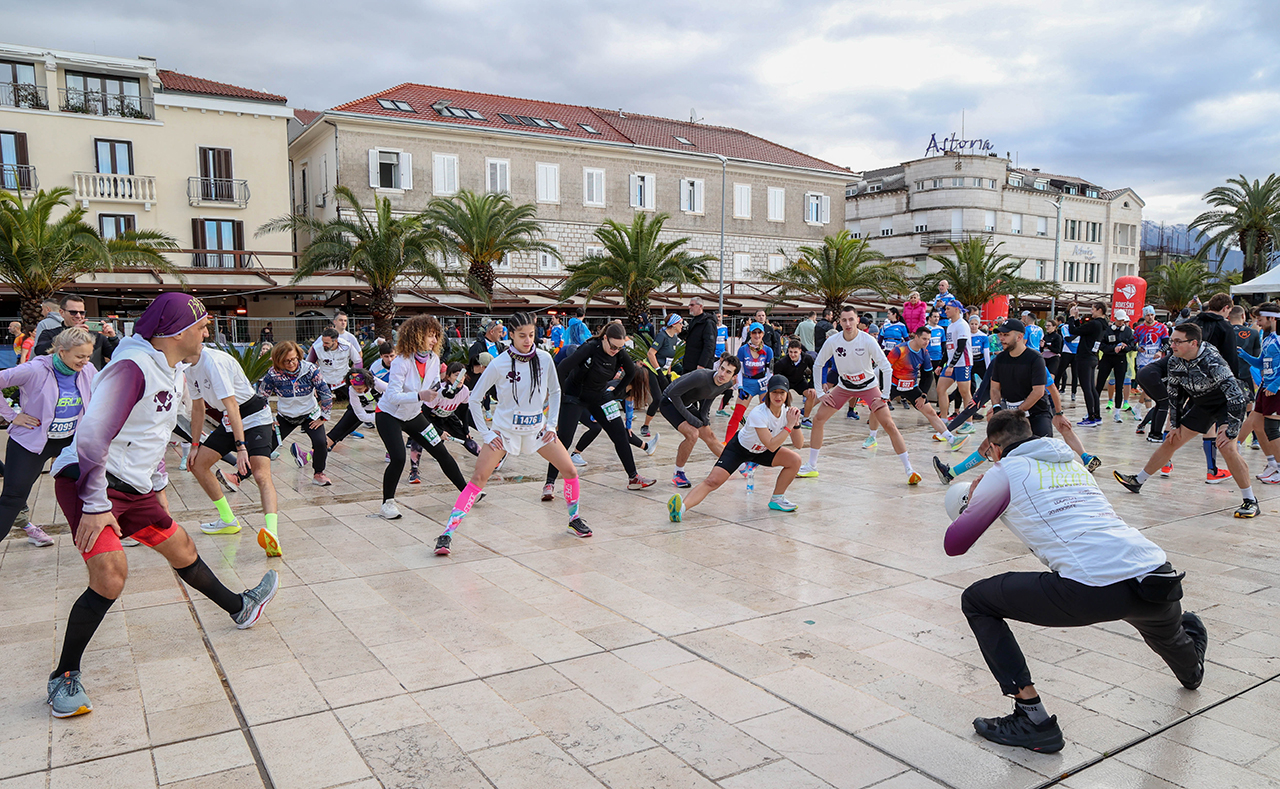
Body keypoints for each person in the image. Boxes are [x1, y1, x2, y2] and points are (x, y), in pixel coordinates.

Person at [45, 293, 277, 719]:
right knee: (112, 576)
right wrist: (96, 506)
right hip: (89, 483)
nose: (207, 333)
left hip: (134, 486)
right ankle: (63, 676)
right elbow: (93, 438)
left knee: (183, 548)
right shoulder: (131, 369)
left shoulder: (173, 369)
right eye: (202, 326)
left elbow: (151, 432)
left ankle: (241, 607)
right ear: (176, 332)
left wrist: (156, 483)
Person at [943, 409, 1207, 753]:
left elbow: (955, 545)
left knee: (976, 601)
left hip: (1092, 587)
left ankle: (1032, 719)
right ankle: (1190, 658)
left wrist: (975, 499)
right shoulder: (1071, 462)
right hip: (1156, 574)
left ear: (994, 448)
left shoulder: (1003, 472)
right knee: (1177, 649)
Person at [434, 312, 587, 554]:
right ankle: (447, 534)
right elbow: (474, 399)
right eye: (522, 336)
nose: (528, 340)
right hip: (504, 433)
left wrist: (551, 424)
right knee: (478, 479)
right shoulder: (499, 363)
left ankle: (574, 518)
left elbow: (556, 392)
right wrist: (485, 433)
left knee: (570, 471)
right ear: (511, 335)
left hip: (537, 430)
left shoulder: (545, 359)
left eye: (532, 335)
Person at [1114, 322, 1258, 518]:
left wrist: (1231, 430)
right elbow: (1174, 393)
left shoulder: (1212, 360)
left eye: (1177, 342)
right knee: (1172, 439)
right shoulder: (1175, 360)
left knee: (1226, 447)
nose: (1172, 345)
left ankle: (1250, 501)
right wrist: (1174, 424)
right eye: (1172, 340)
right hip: (1203, 404)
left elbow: (1236, 397)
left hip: (1226, 404)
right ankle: (1137, 481)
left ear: (1194, 343)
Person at [800, 304, 920, 484]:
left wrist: (885, 396)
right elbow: (818, 365)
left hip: (869, 387)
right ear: (839, 322)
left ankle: (909, 469)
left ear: (857, 320)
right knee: (818, 419)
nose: (848, 323)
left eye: (851, 319)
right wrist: (820, 392)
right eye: (844, 320)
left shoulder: (868, 340)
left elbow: (886, 367)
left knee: (889, 424)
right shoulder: (833, 341)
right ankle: (812, 466)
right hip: (844, 387)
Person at [0, 326, 97, 547]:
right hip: (31, 444)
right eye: (80, 356)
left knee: (98, 484)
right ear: (61, 352)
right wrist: (12, 416)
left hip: (69, 442)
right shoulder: (35, 369)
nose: (85, 361)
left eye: (88, 356)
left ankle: (98, 538)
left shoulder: (89, 370)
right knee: (13, 499)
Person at [186, 342, 283, 556]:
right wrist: (194, 445)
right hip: (230, 420)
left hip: (254, 416)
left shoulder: (213, 362)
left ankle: (272, 532)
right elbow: (198, 407)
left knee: (260, 473)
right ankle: (228, 520)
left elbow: (232, 405)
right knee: (198, 465)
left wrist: (241, 448)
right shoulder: (188, 368)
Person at [669, 374, 804, 521]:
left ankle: (777, 499)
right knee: (713, 481)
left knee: (795, 460)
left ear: (787, 394)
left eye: (782, 393)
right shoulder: (759, 413)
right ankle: (680, 509)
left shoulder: (788, 413)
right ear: (768, 393)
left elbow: (799, 444)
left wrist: (795, 423)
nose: (778, 396)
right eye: (774, 392)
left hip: (762, 451)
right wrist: (789, 426)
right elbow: (771, 445)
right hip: (739, 449)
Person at [545, 322, 655, 496]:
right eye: (612, 346)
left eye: (619, 348)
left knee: (619, 433)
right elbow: (563, 368)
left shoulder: (619, 352)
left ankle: (633, 478)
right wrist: (561, 395)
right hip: (575, 395)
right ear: (605, 338)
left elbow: (631, 372)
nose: (615, 350)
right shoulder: (590, 348)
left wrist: (616, 393)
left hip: (599, 396)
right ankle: (549, 483)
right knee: (564, 439)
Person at [376, 315, 470, 519]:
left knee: (441, 450)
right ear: (416, 336)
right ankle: (387, 504)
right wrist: (419, 395)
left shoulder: (434, 359)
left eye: (436, 336)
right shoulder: (401, 361)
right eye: (430, 336)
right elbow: (392, 396)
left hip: (413, 415)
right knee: (399, 457)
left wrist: (445, 392)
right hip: (388, 414)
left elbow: (434, 385)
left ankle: (467, 493)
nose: (435, 341)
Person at [256, 341, 334, 487]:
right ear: (279, 361)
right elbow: (261, 397)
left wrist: (324, 416)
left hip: (310, 414)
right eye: (286, 361)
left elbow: (325, 393)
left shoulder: (310, 369)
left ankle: (318, 474)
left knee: (320, 442)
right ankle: (242, 474)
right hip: (285, 416)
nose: (291, 363)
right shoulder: (273, 374)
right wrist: (268, 418)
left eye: (294, 359)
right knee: (267, 445)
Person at [661, 353, 741, 488]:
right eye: (722, 368)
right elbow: (673, 394)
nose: (722, 373)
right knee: (692, 434)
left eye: (728, 372)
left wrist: (704, 416)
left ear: (733, 377)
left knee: (710, 436)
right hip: (668, 401)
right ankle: (678, 473)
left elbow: (710, 396)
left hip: (685, 403)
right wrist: (690, 418)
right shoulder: (701, 376)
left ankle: (738, 464)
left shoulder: (725, 384)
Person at [881, 326, 967, 451]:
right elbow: (885, 369)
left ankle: (952, 440)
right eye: (924, 339)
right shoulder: (900, 350)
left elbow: (928, 375)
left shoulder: (924, 353)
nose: (926, 342)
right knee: (878, 410)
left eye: (928, 340)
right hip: (893, 385)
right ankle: (872, 437)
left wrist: (923, 395)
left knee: (931, 413)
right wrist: (885, 391)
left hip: (911, 387)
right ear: (916, 337)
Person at [1239, 303, 1280, 482]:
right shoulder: (1268, 337)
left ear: (1272, 318)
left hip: (1275, 390)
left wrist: (1275, 385)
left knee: (1272, 429)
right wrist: (1244, 355)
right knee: (1257, 424)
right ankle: (1272, 464)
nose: (1258, 323)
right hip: (1265, 387)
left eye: (1260, 319)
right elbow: (1261, 363)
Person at [34, 296, 118, 369]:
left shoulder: (97, 336)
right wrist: (70, 333)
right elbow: (40, 351)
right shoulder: (50, 333)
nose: (78, 316)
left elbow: (116, 355)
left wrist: (113, 338)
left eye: (82, 313)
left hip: (90, 382)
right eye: (73, 312)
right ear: (61, 313)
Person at [726, 322, 774, 442]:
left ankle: (765, 441)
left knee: (768, 413)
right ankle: (726, 442)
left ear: (763, 334)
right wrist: (740, 387)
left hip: (762, 384)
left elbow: (770, 371)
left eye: (759, 332)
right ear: (750, 334)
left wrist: (768, 386)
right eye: (754, 332)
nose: (757, 335)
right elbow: (740, 370)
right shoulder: (743, 350)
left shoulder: (768, 350)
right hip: (747, 383)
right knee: (737, 414)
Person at [641, 313, 682, 436]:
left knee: (672, 396)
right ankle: (645, 426)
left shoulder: (674, 338)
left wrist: (668, 375)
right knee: (657, 398)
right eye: (680, 323)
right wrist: (658, 371)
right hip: (651, 369)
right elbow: (650, 353)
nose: (682, 326)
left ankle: (679, 423)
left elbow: (669, 358)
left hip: (663, 372)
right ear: (674, 325)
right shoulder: (661, 336)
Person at [1067, 302, 1108, 425]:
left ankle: (1091, 417)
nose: (1091, 312)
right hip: (1093, 357)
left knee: (1087, 388)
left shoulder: (1094, 324)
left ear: (1099, 310)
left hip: (1085, 358)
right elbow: (1082, 330)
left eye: (1093, 309)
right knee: (1091, 388)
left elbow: (1073, 330)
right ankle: (1097, 415)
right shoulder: (1103, 324)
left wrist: (1070, 317)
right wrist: (1077, 318)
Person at [936, 299, 974, 423]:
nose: (945, 311)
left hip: (963, 363)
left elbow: (961, 346)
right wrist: (942, 365)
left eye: (948, 309)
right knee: (940, 388)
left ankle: (969, 422)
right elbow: (949, 348)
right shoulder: (950, 325)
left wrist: (951, 365)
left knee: (964, 392)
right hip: (952, 363)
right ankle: (944, 419)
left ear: (956, 310)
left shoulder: (962, 325)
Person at [1094, 309, 1135, 422]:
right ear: (1115, 319)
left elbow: (1131, 345)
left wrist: (1123, 347)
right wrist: (1113, 349)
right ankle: (1093, 410)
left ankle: (1117, 412)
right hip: (1107, 358)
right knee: (1100, 384)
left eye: (1123, 321)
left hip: (1121, 360)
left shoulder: (1127, 331)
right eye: (1119, 320)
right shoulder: (1107, 330)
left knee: (1120, 384)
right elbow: (1101, 345)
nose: (1121, 323)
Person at [327, 369, 379, 449]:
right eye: (355, 388)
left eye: (360, 388)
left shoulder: (378, 383)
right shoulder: (352, 390)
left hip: (382, 409)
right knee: (337, 432)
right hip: (361, 408)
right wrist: (378, 416)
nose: (357, 391)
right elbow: (362, 416)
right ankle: (316, 452)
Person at [307, 327, 362, 401]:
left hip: (343, 379)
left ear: (335, 341)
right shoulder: (317, 348)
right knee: (312, 401)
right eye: (323, 342)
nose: (323, 345)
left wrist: (355, 378)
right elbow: (308, 365)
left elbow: (358, 361)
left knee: (358, 399)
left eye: (327, 343)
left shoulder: (347, 346)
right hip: (325, 379)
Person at [774, 340, 817, 424]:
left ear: (800, 351)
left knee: (812, 394)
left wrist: (811, 386)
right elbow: (776, 376)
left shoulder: (807, 358)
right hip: (786, 382)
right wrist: (783, 389)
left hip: (799, 380)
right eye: (790, 352)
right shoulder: (782, 362)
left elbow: (815, 370)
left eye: (795, 352)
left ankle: (805, 418)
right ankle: (780, 417)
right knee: (781, 397)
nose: (792, 355)